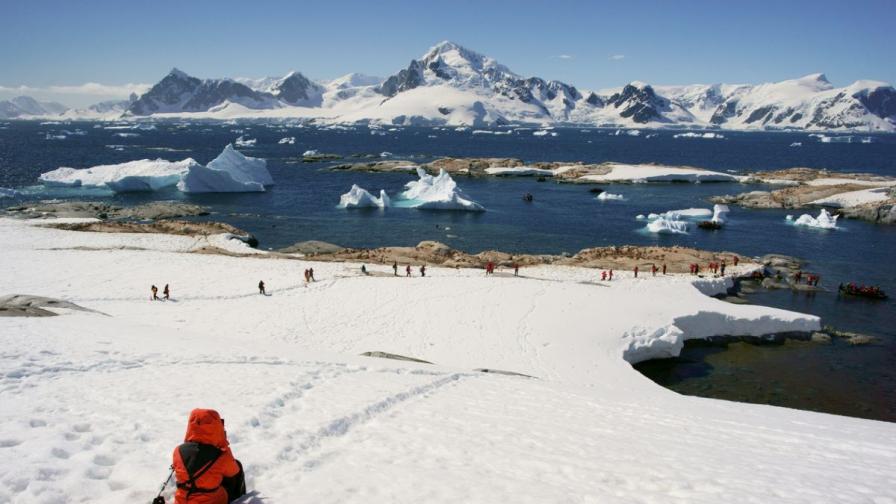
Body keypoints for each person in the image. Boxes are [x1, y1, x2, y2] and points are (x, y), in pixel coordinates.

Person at [171, 408, 245, 504]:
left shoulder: (178, 450)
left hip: (182, 501)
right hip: (212, 501)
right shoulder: (221, 455)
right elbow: (234, 471)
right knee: (237, 466)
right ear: (216, 427)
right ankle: (242, 498)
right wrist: (223, 442)